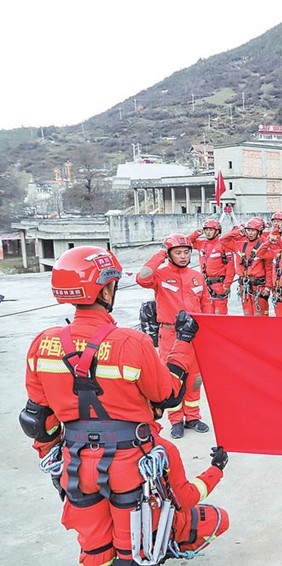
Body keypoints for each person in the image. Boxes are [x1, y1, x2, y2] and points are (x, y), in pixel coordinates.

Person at [20, 245, 229, 565]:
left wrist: (57, 465)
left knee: (94, 551)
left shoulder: (42, 344)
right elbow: (169, 395)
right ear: (106, 289)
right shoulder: (132, 343)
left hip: (75, 466)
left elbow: (38, 420)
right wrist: (183, 343)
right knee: (134, 549)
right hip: (131, 465)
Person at [137, 234, 212, 438]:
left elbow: (206, 304)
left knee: (194, 378)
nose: (183, 256)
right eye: (177, 252)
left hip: (195, 335)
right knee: (172, 378)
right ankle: (176, 419)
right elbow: (142, 278)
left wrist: (208, 331)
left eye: (186, 252)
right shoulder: (160, 276)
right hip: (170, 334)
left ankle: (193, 416)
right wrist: (161, 254)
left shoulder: (197, 276)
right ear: (169, 254)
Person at [221, 217, 272, 316]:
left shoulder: (263, 246)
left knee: (260, 315)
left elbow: (269, 268)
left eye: (253, 231)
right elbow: (223, 240)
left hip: (259, 286)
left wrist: (268, 287)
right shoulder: (239, 245)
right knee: (247, 314)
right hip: (244, 287)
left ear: (258, 232)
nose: (250, 233)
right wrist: (238, 231)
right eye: (248, 230)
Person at [189, 219, 236, 315]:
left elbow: (230, 267)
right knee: (207, 312)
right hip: (205, 284)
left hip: (219, 285)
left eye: (210, 230)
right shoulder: (201, 244)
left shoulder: (224, 245)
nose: (208, 232)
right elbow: (187, 242)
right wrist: (196, 234)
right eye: (206, 230)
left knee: (219, 313)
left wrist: (227, 284)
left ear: (217, 231)